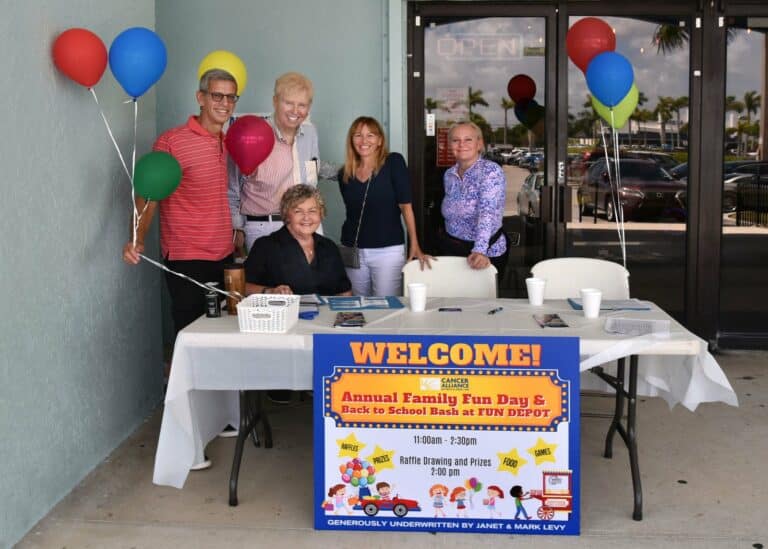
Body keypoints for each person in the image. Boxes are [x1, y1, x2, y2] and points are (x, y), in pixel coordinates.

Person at [123, 69, 240, 465]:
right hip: (187, 258)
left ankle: (219, 418)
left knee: (221, 343)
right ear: (200, 97)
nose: (224, 104)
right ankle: (186, 442)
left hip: (223, 255)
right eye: (217, 96)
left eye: (230, 97)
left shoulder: (229, 140)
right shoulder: (172, 141)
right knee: (188, 347)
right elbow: (150, 194)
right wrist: (137, 238)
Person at [229, 72, 334, 253]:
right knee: (269, 282)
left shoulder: (310, 133)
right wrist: (237, 228)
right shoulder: (253, 135)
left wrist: (349, 170)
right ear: (275, 101)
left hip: (308, 224)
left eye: (301, 105)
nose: (295, 111)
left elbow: (313, 167)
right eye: (288, 103)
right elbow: (232, 187)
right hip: (265, 227)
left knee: (312, 280)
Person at [338, 116, 430, 296]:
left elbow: (406, 207)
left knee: (386, 307)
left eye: (370, 135)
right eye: (358, 135)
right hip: (353, 249)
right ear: (351, 140)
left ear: (380, 140)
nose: (364, 141)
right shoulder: (345, 174)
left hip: (387, 251)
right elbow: (352, 213)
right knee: (357, 305)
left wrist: (414, 243)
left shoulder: (393, 162)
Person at [244, 184, 351, 296]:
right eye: (298, 211)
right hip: (285, 312)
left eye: (312, 211)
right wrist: (270, 291)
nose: (306, 217)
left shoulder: (329, 247)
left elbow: (344, 291)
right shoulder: (265, 246)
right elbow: (242, 287)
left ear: (321, 213)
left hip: (326, 312)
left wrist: (346, 313)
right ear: (287, 215)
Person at [439, 121, 509, 279]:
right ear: (450, 145)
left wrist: (480, 250)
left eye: (468, 139)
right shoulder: (449, 174)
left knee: (481, 302)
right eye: (456, 140)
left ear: (479, 144)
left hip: (483, 253)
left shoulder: (490, 172)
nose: (461, 144)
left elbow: (487, 213)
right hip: (453, 249)